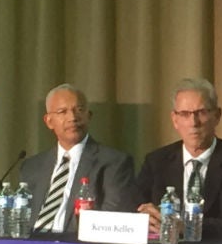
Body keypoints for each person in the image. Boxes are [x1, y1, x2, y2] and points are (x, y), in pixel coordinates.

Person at [135, 78, 222, 238]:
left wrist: (188, 227)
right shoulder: (156, 161)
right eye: (184, 114)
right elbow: (133, 209)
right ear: (175, 120)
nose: (193, 122)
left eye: (201, 113)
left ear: (217, 116)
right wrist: (144, 217)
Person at [21, 84, 137, 234]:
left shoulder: (114, 163)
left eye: (79, 110)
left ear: (89, 116)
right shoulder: (32, 166)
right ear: (49, 121)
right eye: (62, 112)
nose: (73, 118)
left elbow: (112, 222)